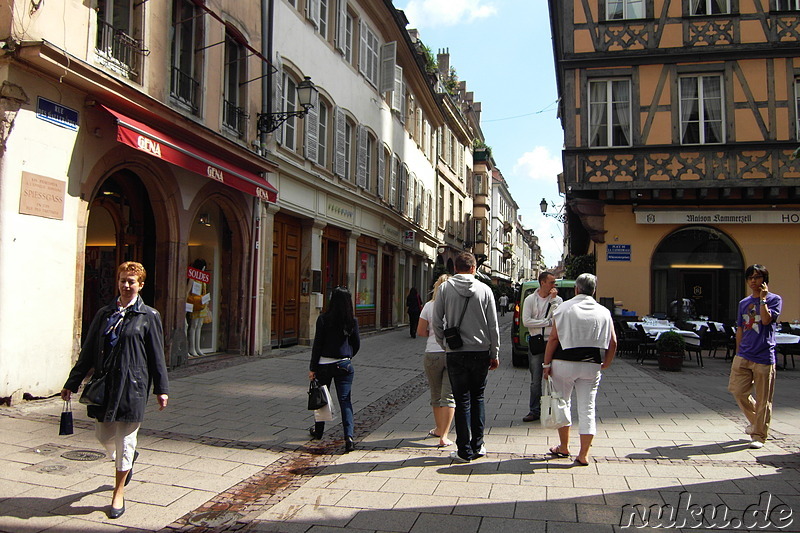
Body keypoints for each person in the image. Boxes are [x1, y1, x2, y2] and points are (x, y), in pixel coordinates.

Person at [61, 261, 169, 519]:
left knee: (125, 440)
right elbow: (87, 352)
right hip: (106, 385)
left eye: (132, 281)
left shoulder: (149, 316)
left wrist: (161, 389)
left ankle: (118, 493)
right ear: (118, 282)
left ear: (141, 285)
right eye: (123, 280)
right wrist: (71, 382)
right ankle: (127, 459)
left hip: (133, 386)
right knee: (103, 435)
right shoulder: (104, 314)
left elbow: (157, 356)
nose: (126, 285)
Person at [432, 252, 500, 462]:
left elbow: (436, 320)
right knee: (477, 398)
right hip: (480, 352)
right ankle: (478, 445)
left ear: (456, 269)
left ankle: (463, 450)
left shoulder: (444, 288)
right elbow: (493, 326)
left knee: (461, 400)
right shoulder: (485, 290)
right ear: (473, 268)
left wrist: (444, 343)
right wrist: (494, 352)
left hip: (456, 352)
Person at [543, 273, 616, 467]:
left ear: (576, 289)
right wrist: (606, 362)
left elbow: (553, 339)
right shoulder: (603, 311)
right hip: (591, 364)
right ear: (594, 290)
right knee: (587, 409)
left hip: (563, 362)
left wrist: (546, 364)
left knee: (562, 403)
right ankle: (583, 454)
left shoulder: (564, 308)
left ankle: (564, 446)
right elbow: (613, 342)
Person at [728, 264, 782, 449]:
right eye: (750, 277)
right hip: (744, 354)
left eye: (757, 277)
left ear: (764, 280)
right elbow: (741, 328)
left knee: (763, 399)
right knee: (737, 391)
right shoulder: (743, 303)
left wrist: (763, 300)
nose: (753, 281)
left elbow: (766, 320)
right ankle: (756, 423)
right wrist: (737, 352)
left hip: (764, 355)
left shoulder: (774, 300)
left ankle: (759, 435)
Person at [308, 287, 360, 452]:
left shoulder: (323, 319)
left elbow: (317, 345)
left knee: (321, 398)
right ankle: (349, 437)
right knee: (345, 401)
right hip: (344, 365)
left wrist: (312, 367)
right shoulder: (351, 320)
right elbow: (356, 343)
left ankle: (318, 431)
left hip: (324, 365)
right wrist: (347, 356)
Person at [417, 274, 455, 447]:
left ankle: (439, 429)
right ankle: (444, 435)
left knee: (436, 394)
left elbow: (421, 331)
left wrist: (432, 334)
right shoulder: (455, 305)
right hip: (452, 352)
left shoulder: (429, 306)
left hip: (432, 352)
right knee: (449, 396)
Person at [521, 271, 563, 423]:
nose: (554, 286)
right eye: (551, 282)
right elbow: (526, 321)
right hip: (536, 341)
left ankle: (553, 410)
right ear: (543, 282)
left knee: (554, 377)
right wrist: (546, 322)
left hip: (552, 341)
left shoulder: (558, 300)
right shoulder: (530, 299)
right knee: (536, 379)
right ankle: (534, 411)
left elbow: (557, 319)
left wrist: (553, 302)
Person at [186, 258, 210, 357]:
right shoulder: (193, 278)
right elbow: (187, 292)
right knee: (193, 325)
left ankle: (197, 348)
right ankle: (192, 348)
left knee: (199, 325)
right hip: (194, 303)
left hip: (202, 304)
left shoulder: (202, 279)